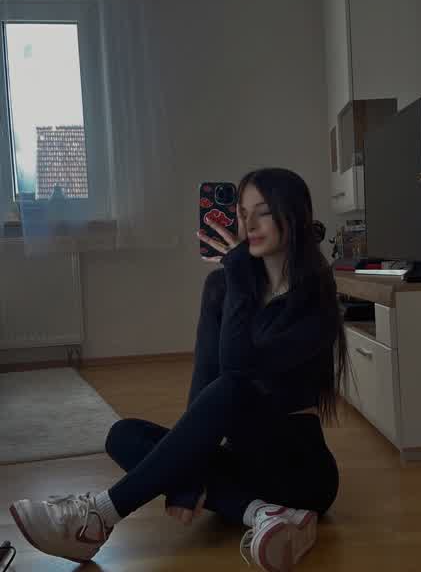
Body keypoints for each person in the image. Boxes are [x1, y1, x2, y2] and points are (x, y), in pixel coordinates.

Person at [8, 168, 348, 572]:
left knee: (232, 387)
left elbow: (237, 369)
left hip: (300, 471)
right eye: (242, 214)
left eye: (264, 212)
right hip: (243, 462)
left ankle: (98, 516)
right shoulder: (223, 287)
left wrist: (238, 275)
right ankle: (264, 515)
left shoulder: (317, 297)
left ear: (293, 216)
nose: (248, 225)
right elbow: (206, 377)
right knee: (124, 435)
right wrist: (188, 477)